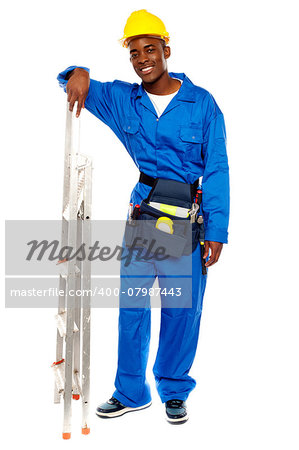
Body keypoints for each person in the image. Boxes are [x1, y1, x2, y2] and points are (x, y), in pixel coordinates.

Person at [57, 9, 230, 424]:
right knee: (131, 308)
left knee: (181, 312)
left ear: (166, 50)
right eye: (134, 52)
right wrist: (77, 71)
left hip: (187, 223)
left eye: (149, 49)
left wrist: (218, 228)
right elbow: (73, 83)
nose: (142, 59)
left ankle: (173, 388)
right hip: (142, 217)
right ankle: (130, 391)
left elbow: (218, 167)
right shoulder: (124, 101)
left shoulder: (201, 104)